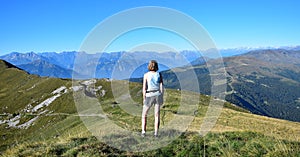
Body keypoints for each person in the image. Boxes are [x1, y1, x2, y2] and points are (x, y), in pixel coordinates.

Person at [141, 60, 164, 137]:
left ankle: (143, 132)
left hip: (149, 95)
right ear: (156, 66)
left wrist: (144, 98)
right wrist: (162, 96)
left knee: (144, 114)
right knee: (157, 115)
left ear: (149, 66)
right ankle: (156, 133)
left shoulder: (146, 75)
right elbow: (161, 86)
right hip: (157, 94)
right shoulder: (159, 74)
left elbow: (144, 88)